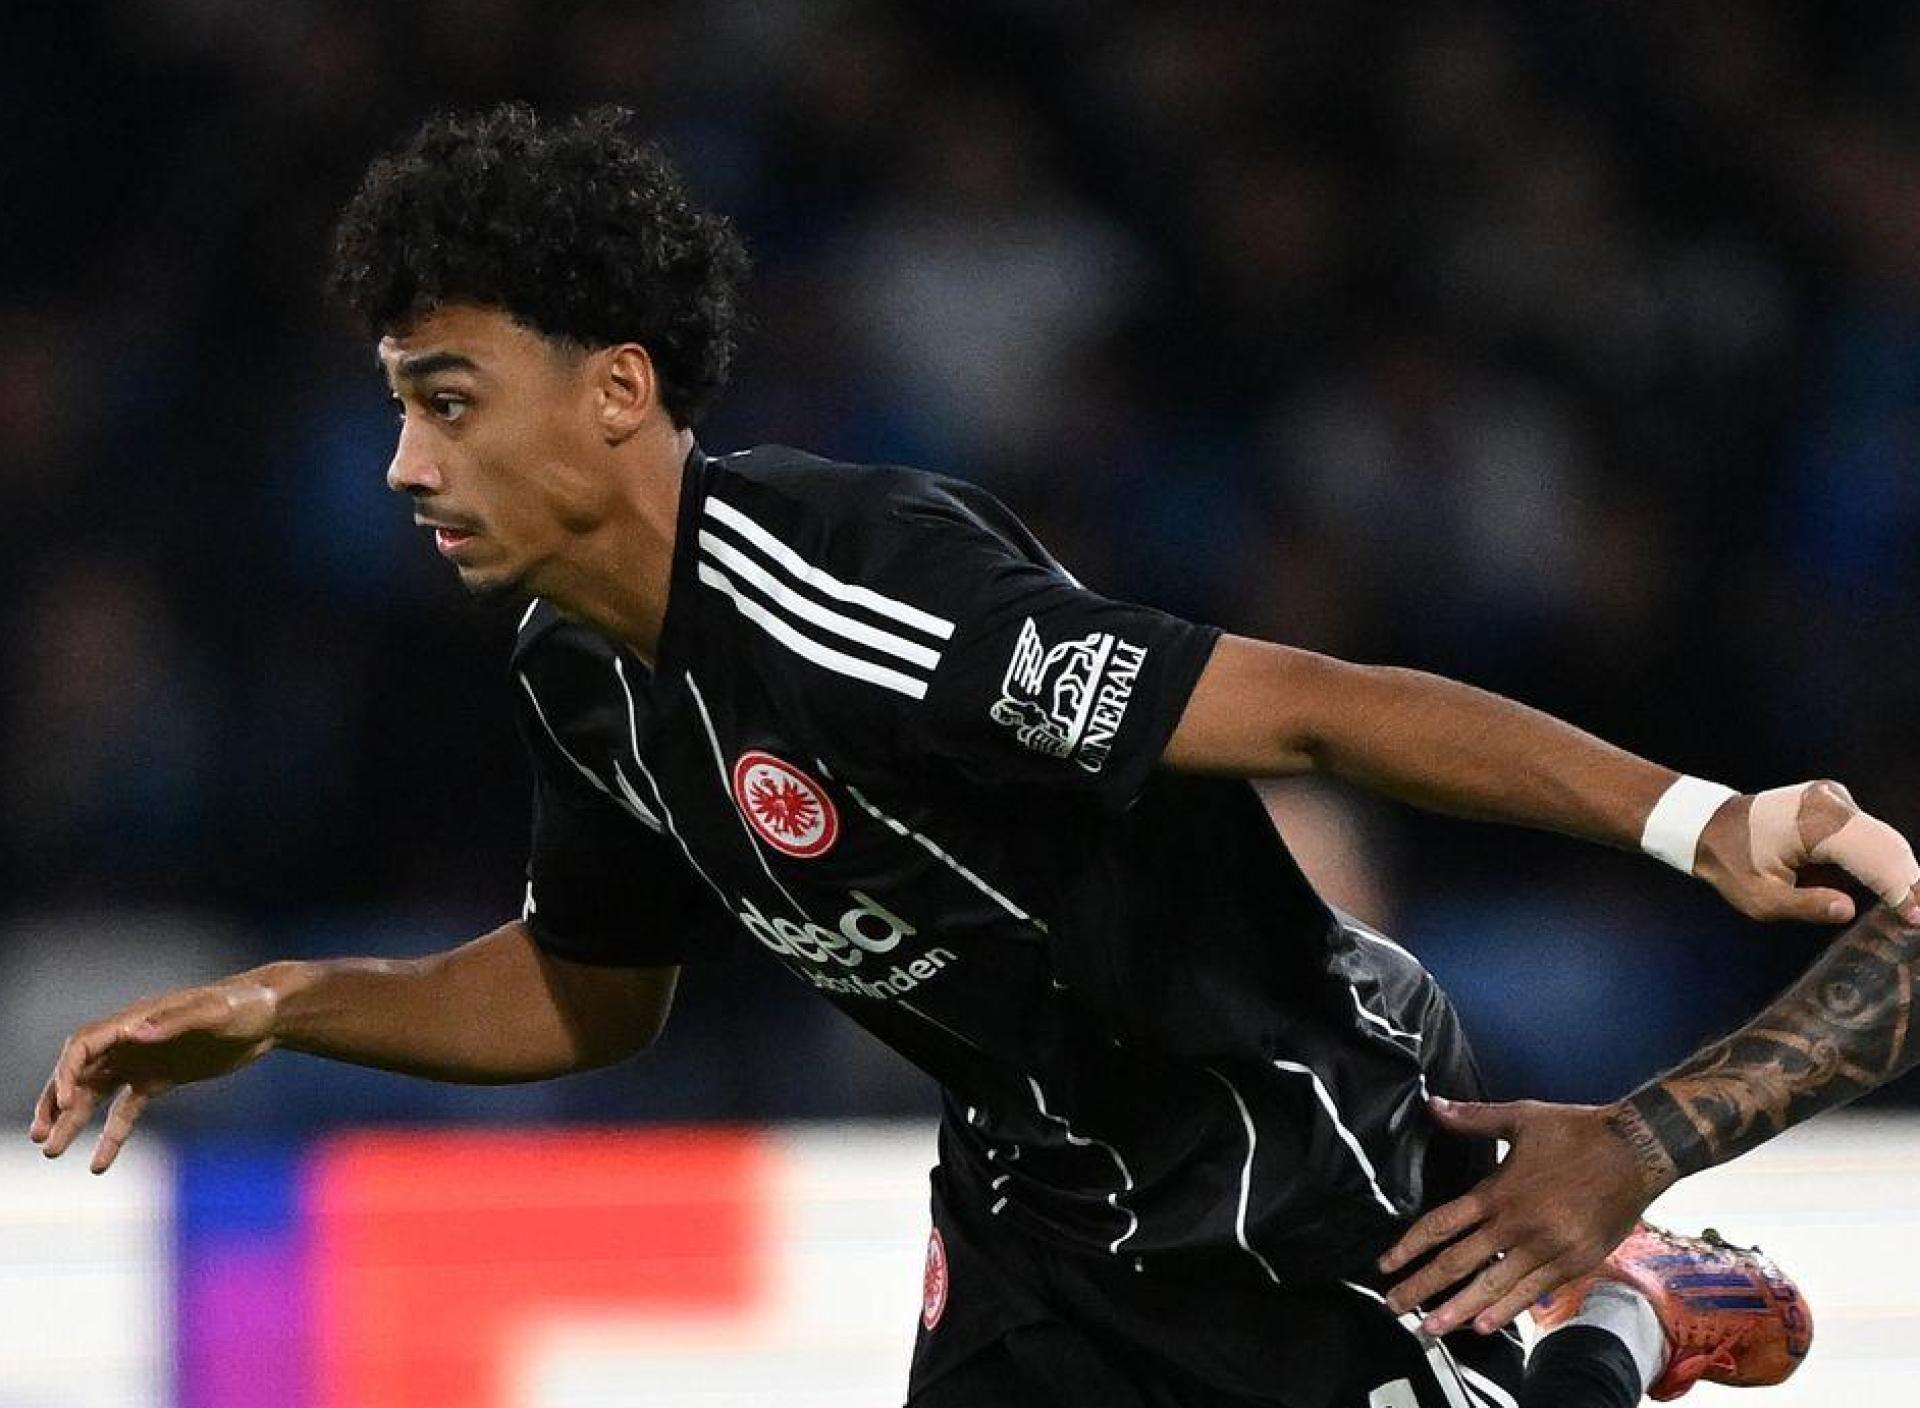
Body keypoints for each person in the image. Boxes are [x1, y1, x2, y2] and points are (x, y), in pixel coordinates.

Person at [28, 105, 1920, 1408]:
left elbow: (1319, 706)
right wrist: (288, 1005)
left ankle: (1615, 1312)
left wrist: (1708, 820)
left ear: (615, 392)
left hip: (1270, 1144)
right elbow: (587, 1003)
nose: (404, 468)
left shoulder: (867, 595)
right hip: (1027, 1209)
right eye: (396, 411)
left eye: (447, 404)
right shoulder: (577, 669)